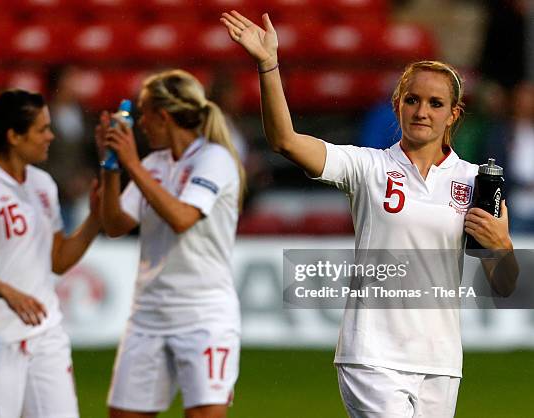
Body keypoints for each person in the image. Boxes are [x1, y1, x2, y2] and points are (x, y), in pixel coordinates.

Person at [221, 10, 518, 418]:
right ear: (397, 105)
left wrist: (502, 246)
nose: (421, 111)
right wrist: (268, 65)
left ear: (453, 115)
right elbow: (285, 141)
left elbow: (504, 287)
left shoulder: (475, 182)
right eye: (412, 100)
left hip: (440, 362)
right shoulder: (367, 167)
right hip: (372, 355)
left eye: (436, 103)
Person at [98, 69, 245, 418]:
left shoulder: (214, 158)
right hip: (148, 314)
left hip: (202, 314)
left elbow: (182, 218)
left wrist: (132, 163)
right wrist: (112, 166)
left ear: (162, 116)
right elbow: (115, 224)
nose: (140, 124)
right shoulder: (153, 163)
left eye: (143, 113)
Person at [0, 89, 101, 418]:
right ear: (14, 136)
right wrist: (7, 291)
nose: (51, 135)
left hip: (46, 336)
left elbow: (58, 260)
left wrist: (94, 220)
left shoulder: (43, 184)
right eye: (42, 129)